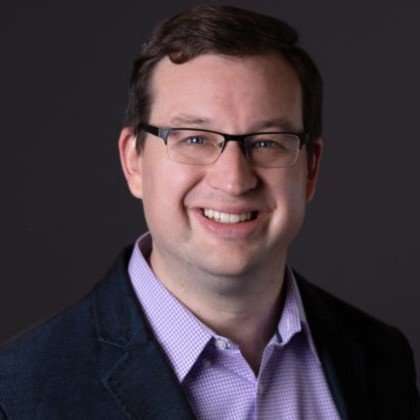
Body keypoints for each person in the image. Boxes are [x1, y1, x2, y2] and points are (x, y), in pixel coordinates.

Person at [0, 5, 418, 420]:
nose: (234, 180)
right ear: (134, 161)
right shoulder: (21, 393)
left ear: (310, 167)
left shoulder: (380, 358)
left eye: (267, 142)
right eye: (195, 139)